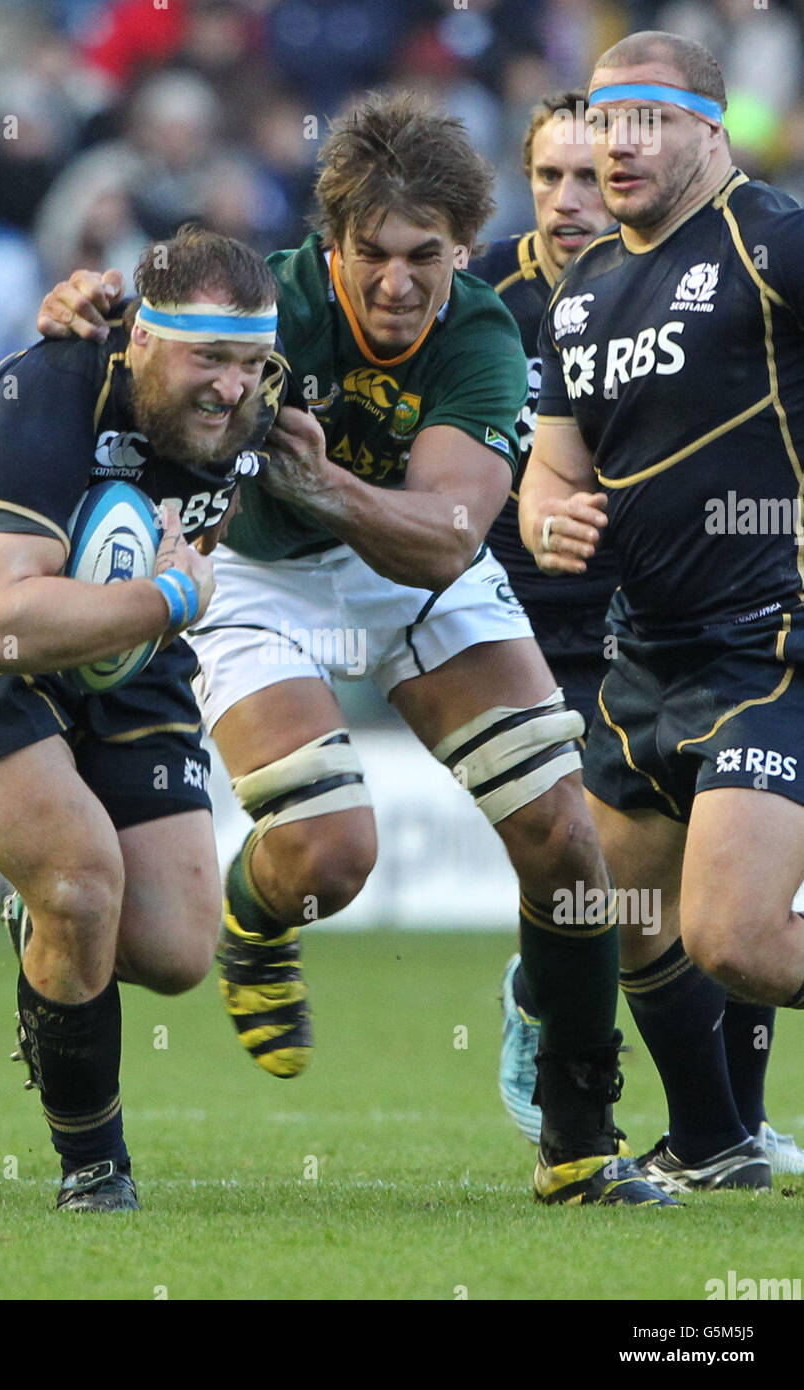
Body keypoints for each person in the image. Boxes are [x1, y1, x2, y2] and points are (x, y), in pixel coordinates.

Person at [40, 94, 674, 1206]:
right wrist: (85, 308)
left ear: (461, 250)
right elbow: (130, 347)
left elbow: (444, 540)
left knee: (563, 834)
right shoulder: (264, 305)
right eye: (368, 254)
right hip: (252, 571)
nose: (395, 283)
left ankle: (578, 1140)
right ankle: (253, 915)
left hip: (408, 554)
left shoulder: (480, 331)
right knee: (332, 857)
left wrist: (324, 482)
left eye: (422, 256)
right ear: (325, 244)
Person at [0, 226, 287, 1212]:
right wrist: (173, 601)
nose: (231, 387)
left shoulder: (264, 400)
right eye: (206, 359)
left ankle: (39, 915)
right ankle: (94, 1170)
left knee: (175, 949)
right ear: (139, 340)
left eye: (250, 363)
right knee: (82, 882)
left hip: (122, 636)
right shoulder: (43, 394)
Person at [474, 90, 804, 1181]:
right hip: (610, 642)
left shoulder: (755, 244)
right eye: (553, 175)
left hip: (752, 637)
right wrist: (538, 511)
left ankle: (729, 1123)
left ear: (697, 137)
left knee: (732, 930)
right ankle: (713, 1136)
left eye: (604, 159)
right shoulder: (522, 293)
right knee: (608, 911)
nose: (577, 192)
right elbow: (547, 472)